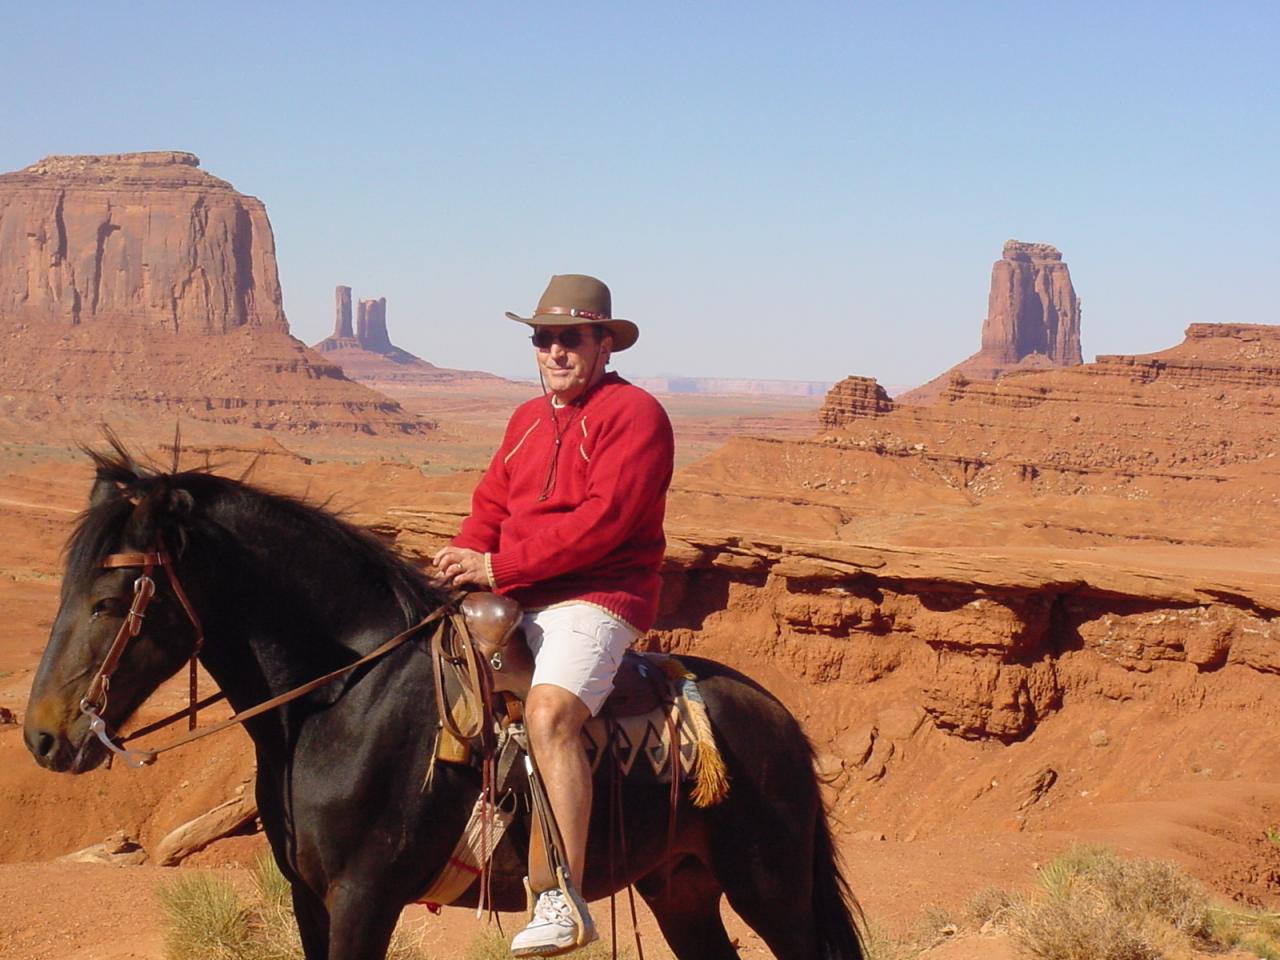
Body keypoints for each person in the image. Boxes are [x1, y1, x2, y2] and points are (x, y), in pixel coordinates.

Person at [432, 274, 674, 956]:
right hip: (519, 595)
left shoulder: (636, 414)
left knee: (549, 714)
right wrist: (466, 553)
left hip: (598, 598)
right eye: (544, 339)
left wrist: (498, 569)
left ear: (604, 344)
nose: (556, 352)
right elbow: (491, 508)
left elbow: (605, 524)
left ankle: (561, 896)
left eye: (572, 339)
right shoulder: (526, 421)